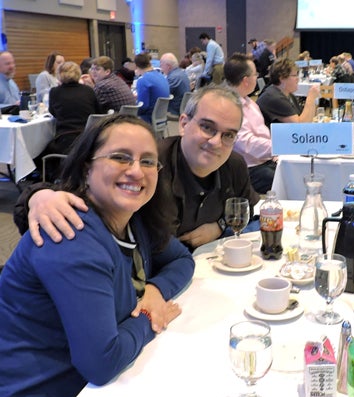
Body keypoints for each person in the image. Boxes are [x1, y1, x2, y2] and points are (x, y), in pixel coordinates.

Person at [0, 114, 194, 397]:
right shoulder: (70, 235)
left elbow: (183, 261)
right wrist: (150, 316)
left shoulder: (133, 219)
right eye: (120, 157)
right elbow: (101, 363)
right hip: (46, 391)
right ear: (86, 168)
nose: (137, 172)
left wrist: (155, 290)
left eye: (148, 161)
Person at [15, 86, 260, 252]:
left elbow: (247, 210)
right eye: (207, 127)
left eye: (228, 134)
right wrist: (39, 196)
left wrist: (219, 226)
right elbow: (72, 193)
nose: (216, 141)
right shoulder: (149, 168)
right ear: (184, 123)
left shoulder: (234, 165)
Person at [226, 53, 277, 194]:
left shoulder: (248, 102)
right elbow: (246, 144)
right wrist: (278, 147)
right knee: (293, 181)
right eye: (255, 74)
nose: (258, 77)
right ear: (246, 80)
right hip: (249, 168)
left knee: (296, 170)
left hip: (265, 160)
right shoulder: (231, 106)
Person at [40, 61, 100, 180]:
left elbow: (53, 112)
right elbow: (98, 111)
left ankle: (52, 179)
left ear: (59, 75)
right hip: (89, 140)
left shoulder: (55, 92)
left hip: (65, 141)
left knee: (39, 150)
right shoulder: (88, 91)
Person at [256, 58, 320, 128]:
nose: (298, 78)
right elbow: (301, 126)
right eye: (294, 75)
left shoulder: (288, 95)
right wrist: (311, 98)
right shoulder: (273, 97)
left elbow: (304, 119)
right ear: (282, 78)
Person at [134, 52, 170, 123]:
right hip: (161, 117)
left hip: (148, 118)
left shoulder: (142, 80)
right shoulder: (161, 76)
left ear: (136, 66)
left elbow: (143, 107)